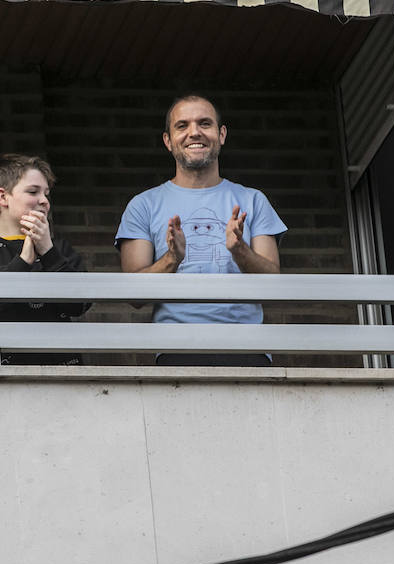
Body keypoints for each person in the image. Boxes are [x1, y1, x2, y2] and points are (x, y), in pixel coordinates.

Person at [116, 95, 286, 366]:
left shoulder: (253, 200)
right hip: (176, 351)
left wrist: (239, 250)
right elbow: (134, 297)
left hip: (247, 349)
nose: (194, 132)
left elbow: (275, 290)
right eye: (182, 126)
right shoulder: (143, 205)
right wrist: (173, 258)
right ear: (168, 141)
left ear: (221, 135)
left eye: (204, 123)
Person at [0, 153, 88, 366]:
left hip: (64, 371)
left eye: (46, 193)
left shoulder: (60, 249)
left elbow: (80, 305)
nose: (44, 201)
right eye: (33, 191)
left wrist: (48, 251)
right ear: (3, 197)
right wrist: (24, 260)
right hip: (4, 376)